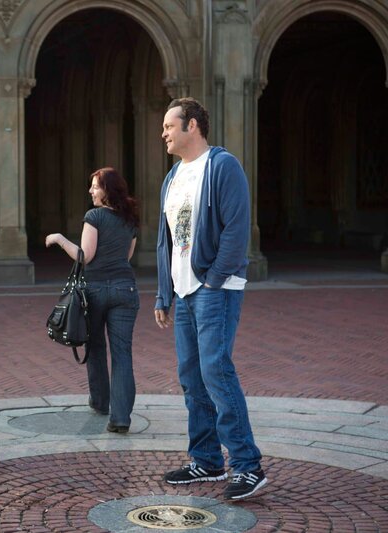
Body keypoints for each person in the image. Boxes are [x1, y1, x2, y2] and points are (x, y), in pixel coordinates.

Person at [155, 97, 267, 500]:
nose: (163, 132)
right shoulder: (172, 177)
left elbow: (237, 228)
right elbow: (165, 240)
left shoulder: (222, 166)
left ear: (193, 126)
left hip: (212, 289)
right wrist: (163, 293)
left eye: (170, 125)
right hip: (183, 291)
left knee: (216, 371)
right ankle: (206, 460)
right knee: (191, 377)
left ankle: (247, 466)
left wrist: (216, 279)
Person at [45, 167, 139, 434]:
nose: (90, 191)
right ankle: (121, 418)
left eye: (95, 186)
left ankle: (100, 401)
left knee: (96, 346)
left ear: (107, 190)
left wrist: (59, 239)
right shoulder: (130, 219)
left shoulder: (94, 216)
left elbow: (84, 256)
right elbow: (126, 257)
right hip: (125, 290)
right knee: (123, 354)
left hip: (95, 291)